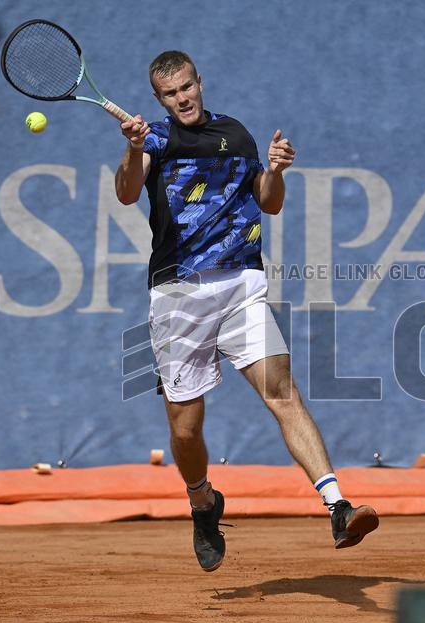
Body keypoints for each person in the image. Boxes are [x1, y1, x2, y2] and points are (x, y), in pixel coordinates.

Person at [114, 51, 379, 572]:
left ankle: (337, 506)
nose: (182, 98)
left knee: (283, 392)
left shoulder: (235, 134)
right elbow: (127, 193)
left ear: (199, 82)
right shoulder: (155, 142)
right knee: (186, 431)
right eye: (170, 94)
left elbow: (268, 201)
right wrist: (132, 149)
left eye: (187, 86)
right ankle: (202, 501)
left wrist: (276, 171)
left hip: (241, 283)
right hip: (178, 294)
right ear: (158, 100)